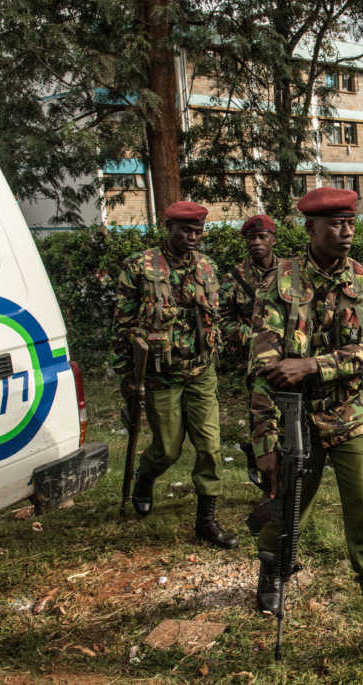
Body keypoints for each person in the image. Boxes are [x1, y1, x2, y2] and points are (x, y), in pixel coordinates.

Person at [248, 186, 363, 664]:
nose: (346, 232)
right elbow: (261, 364)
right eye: (335, 224)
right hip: (293, 418)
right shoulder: (279, 280)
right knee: (289, 509)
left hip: (349, 414)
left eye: (350, 223)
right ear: (311, 229)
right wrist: (264, 440)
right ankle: (273, 567)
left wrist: (312, 366)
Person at [113, 200, 238, 550]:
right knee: (167, 449)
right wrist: (127, 376)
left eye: (198, 231)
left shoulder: (208, 268)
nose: (192, 237)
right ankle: (145, 477)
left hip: (200, 370)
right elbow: (122, 324)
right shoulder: (139, 267)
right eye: (186, 230)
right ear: (168, 228)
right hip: (159, 373)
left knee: (210, 448)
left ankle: (206, 520)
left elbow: (218, 316)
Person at [219, 214, 278, 366]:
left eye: (262, 236)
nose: (256, 242)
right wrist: (255, 337)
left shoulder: (290, 273)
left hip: (286, 358)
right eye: (251, 238)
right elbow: (222, 319)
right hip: (248, 360)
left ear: (274, 240)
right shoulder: (234, 278)